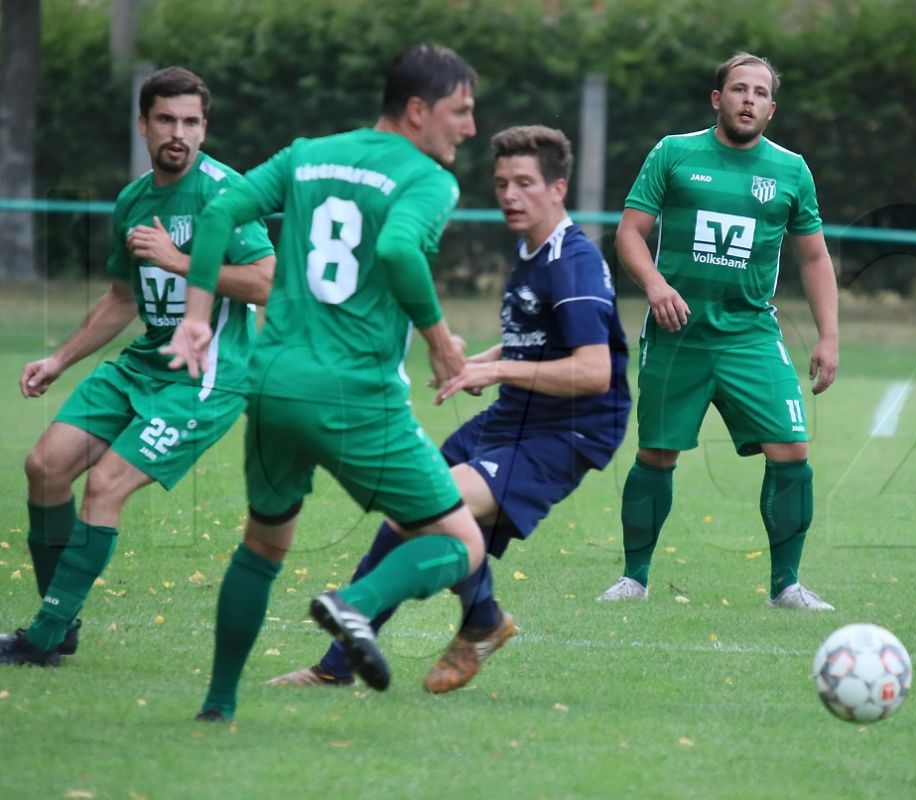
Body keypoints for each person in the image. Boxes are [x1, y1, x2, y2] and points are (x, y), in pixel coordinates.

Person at [163, 44, 487, 721]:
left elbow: (219, 212)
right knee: (460, 543)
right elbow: (398, 249)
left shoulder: (308, 153)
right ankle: (356, 604)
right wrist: (440, 344)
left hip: (272, 381)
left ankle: (217, 706)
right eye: (460, 111)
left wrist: (196, 318)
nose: (470, 127)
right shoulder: (426, 179)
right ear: (418, 110)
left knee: (263, 543)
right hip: (353, 393)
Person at [267, 125, 631, 693]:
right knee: (407, 513)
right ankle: (360, 661)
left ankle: (365, 607)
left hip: (567, 431)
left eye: (526, 183)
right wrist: (480, 361)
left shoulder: (572, 262)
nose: (510, 194)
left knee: (437, 505)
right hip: (516, 416)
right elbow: (540, 339)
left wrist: (496, 370)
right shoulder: (532, 250)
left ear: (558, 189)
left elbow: (594, 372)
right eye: (502, 182)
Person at [0, 67, 275, 667]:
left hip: (205, 376)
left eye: (192, 122)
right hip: (141, 365)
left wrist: (182, 261)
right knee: (44, 467)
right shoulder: (132, 199)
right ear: (143, 124)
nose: (179, 133)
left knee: (105, 486)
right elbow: (122, 299)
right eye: (167, 120)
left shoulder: (227, 194)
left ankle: (44, 637)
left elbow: (265, 282)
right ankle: (60, 616)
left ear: (205, 128)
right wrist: (60, 359)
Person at [597, 53, 839, 610]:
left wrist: (829, 336)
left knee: (791, 450)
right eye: (738, 89)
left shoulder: (791, 170)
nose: (748, 99)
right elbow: (630, 234)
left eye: (759, 92)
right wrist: (656, 286)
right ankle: (634, 577)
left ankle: (787, 586)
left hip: (750, 335)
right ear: (717, 99)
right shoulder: (673, 153)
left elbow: (815, 259)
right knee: (656, 454)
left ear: (772, 109)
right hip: (676, 334)